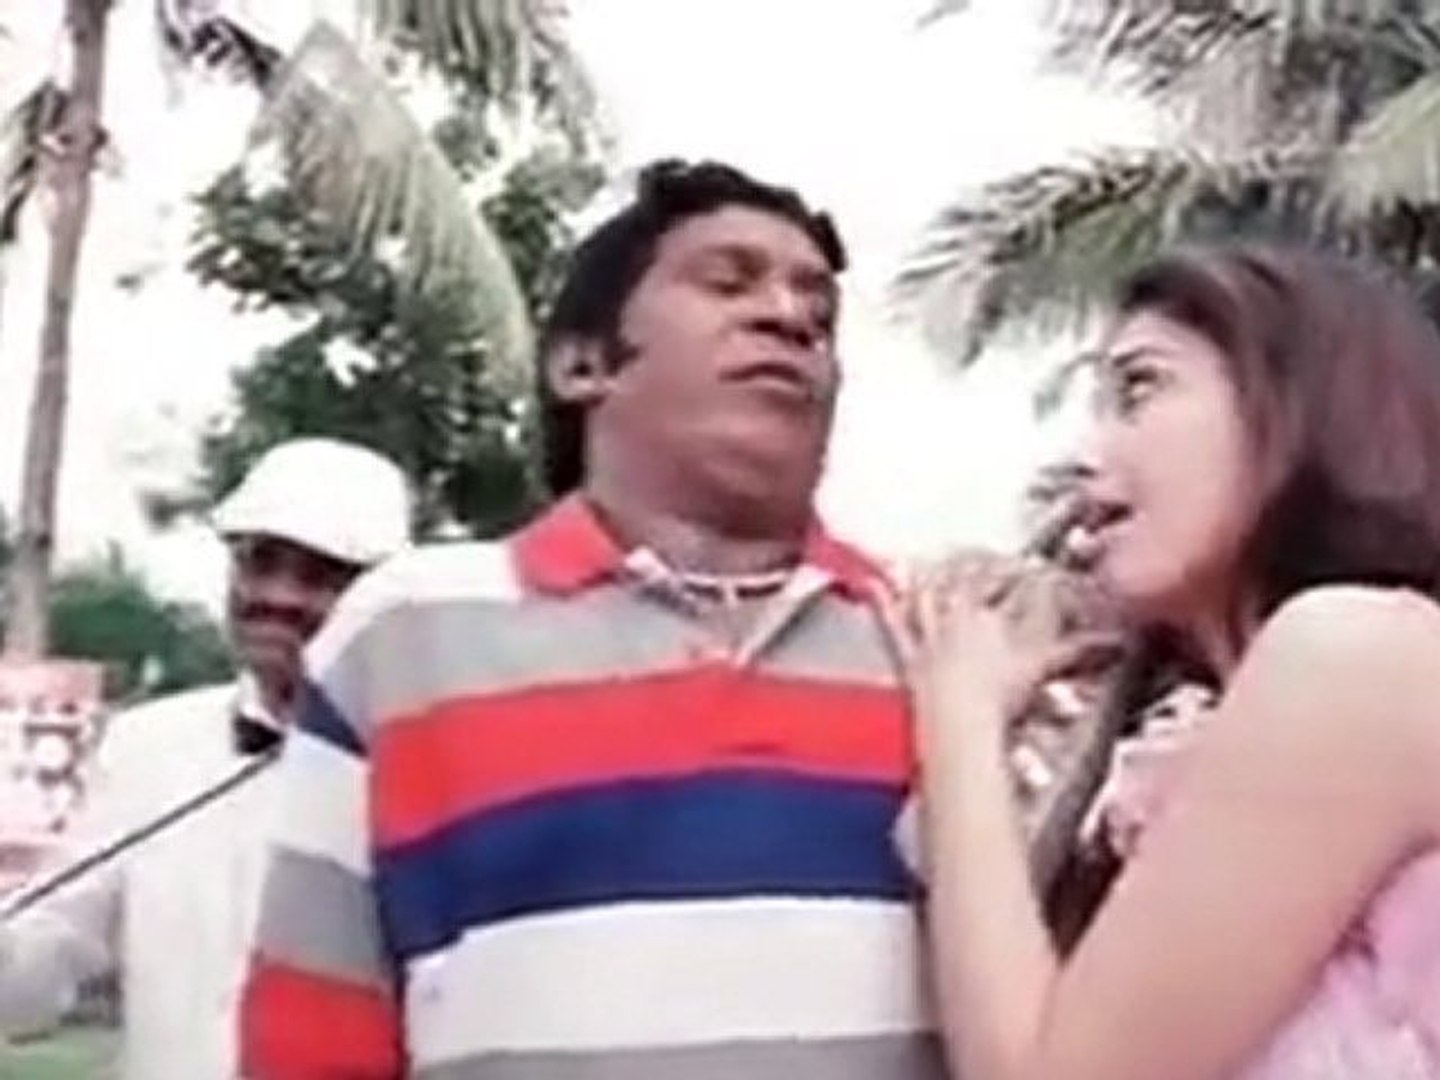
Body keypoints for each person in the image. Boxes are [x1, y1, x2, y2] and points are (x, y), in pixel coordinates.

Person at [239, 160, 950, 1079]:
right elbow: (311, 1037)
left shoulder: (938, 643)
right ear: (582, 365)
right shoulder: (407, 633)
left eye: (819, 309)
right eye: (728, 281)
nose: (790, 316)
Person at [902, 245, 1440, 1080]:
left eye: (1138, 390)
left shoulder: (1354, 651)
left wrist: (960, 722)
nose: (1088, 456)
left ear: (1293, 398)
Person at [0, 437, 411, 1080]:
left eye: (320, 575)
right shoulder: (147, 746)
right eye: (259, 562)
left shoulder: (431, 763)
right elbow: (46, 956)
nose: (278, 595)